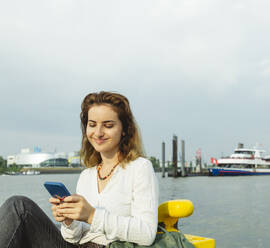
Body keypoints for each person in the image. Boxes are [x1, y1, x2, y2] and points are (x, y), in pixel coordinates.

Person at [0, 91, 159, 248]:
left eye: (108, 125)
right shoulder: (87, 175)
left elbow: (146, 234)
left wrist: (91, 215)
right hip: (78, 245)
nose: (98, 133)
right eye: (92, 124)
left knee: (18, 206)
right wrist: (69, 221)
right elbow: (74, 237)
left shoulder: (140, 168)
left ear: (125, 129)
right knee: (18, 207)